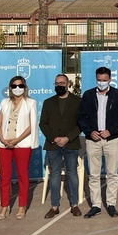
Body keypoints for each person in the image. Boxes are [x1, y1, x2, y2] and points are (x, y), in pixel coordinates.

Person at [77, 66, 118, 219]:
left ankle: (111, 204)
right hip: (93, 140)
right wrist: (89, 131)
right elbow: (81, 117)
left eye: (104, 80)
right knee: (93, 174)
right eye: (99, 80)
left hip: (111, 140)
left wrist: (110, 131)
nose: (101, 83)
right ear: (96, 79)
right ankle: (96, 205)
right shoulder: (87, 95)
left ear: (110, 80)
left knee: (112, 174)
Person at [0, 75, 39, 220]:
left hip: (22, 144)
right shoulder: (4, 102)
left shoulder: (31, 103)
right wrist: (3, 139)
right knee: (5, 177)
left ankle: (22, 207)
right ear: (10, 88)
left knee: (22, 176)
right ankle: (4, 207)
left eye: (20, 86)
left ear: (25, 88)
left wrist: (16, 140)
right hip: (4, 144)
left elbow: (31, 126)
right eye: (14, 86)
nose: (17, 89)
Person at [39, 74, 83, 219]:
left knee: (72, 173)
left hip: (71, 143)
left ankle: (74, 205)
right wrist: (54, 138)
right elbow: (43, 123)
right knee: (55, 174)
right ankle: (54, 206)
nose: (59, 85)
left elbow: (81, 123)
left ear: (68, 84)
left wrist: (67, 138)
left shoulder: (78, 101)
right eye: (57, 83)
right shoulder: (48, 102)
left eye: (62, 83)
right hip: (53, 144)